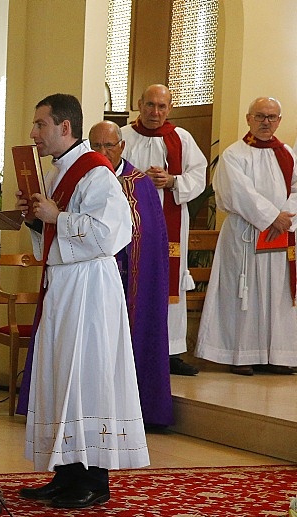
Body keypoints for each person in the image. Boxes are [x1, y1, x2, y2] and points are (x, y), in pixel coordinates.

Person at [17, 94, 149, 509]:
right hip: (65, 285)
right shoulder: (61, 173)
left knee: (87, 375)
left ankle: (94, 480)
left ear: (65, 128)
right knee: (62, 374)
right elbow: (54, 238)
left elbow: (113, 234)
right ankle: (67, 473)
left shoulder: (96, 173)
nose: (34, 133)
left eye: (41, 125)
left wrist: (57, 218)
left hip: (91, 288)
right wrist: (38, 220)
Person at [195, 97, 297, 375]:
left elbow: (296, 189)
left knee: (277, 293)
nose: (267, 122)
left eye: (272, 117)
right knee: (243, 294)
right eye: (261, 116)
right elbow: (239, 192)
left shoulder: (287, 152)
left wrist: (285, 216)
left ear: (279, 120)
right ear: (248, 118)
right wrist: (271, 217)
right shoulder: (234, 154)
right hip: (245, 236)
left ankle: (276, 354)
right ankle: (241, 354)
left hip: (279, 235)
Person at [88, 121, 173, 428]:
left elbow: (150, 236)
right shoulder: (83, 178)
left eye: (108, 146)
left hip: (131, 284)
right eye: (95, 145)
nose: (101, 152)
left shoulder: (140, 183)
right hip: (95, 281)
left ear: (121, 147)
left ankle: (138, 410)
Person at [122, 84, 208, 377]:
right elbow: (106, 175)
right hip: (130, 223)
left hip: (170, 223)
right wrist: (136, 181)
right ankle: (130, 346)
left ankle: (170, 351)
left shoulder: (181, 138)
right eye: (149, 105)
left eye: (161, 106)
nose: (155, 112)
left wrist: (172, 181)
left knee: (170, 282)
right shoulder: (122, 136)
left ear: (169, 108)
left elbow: (199, 174)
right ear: (139, 103)